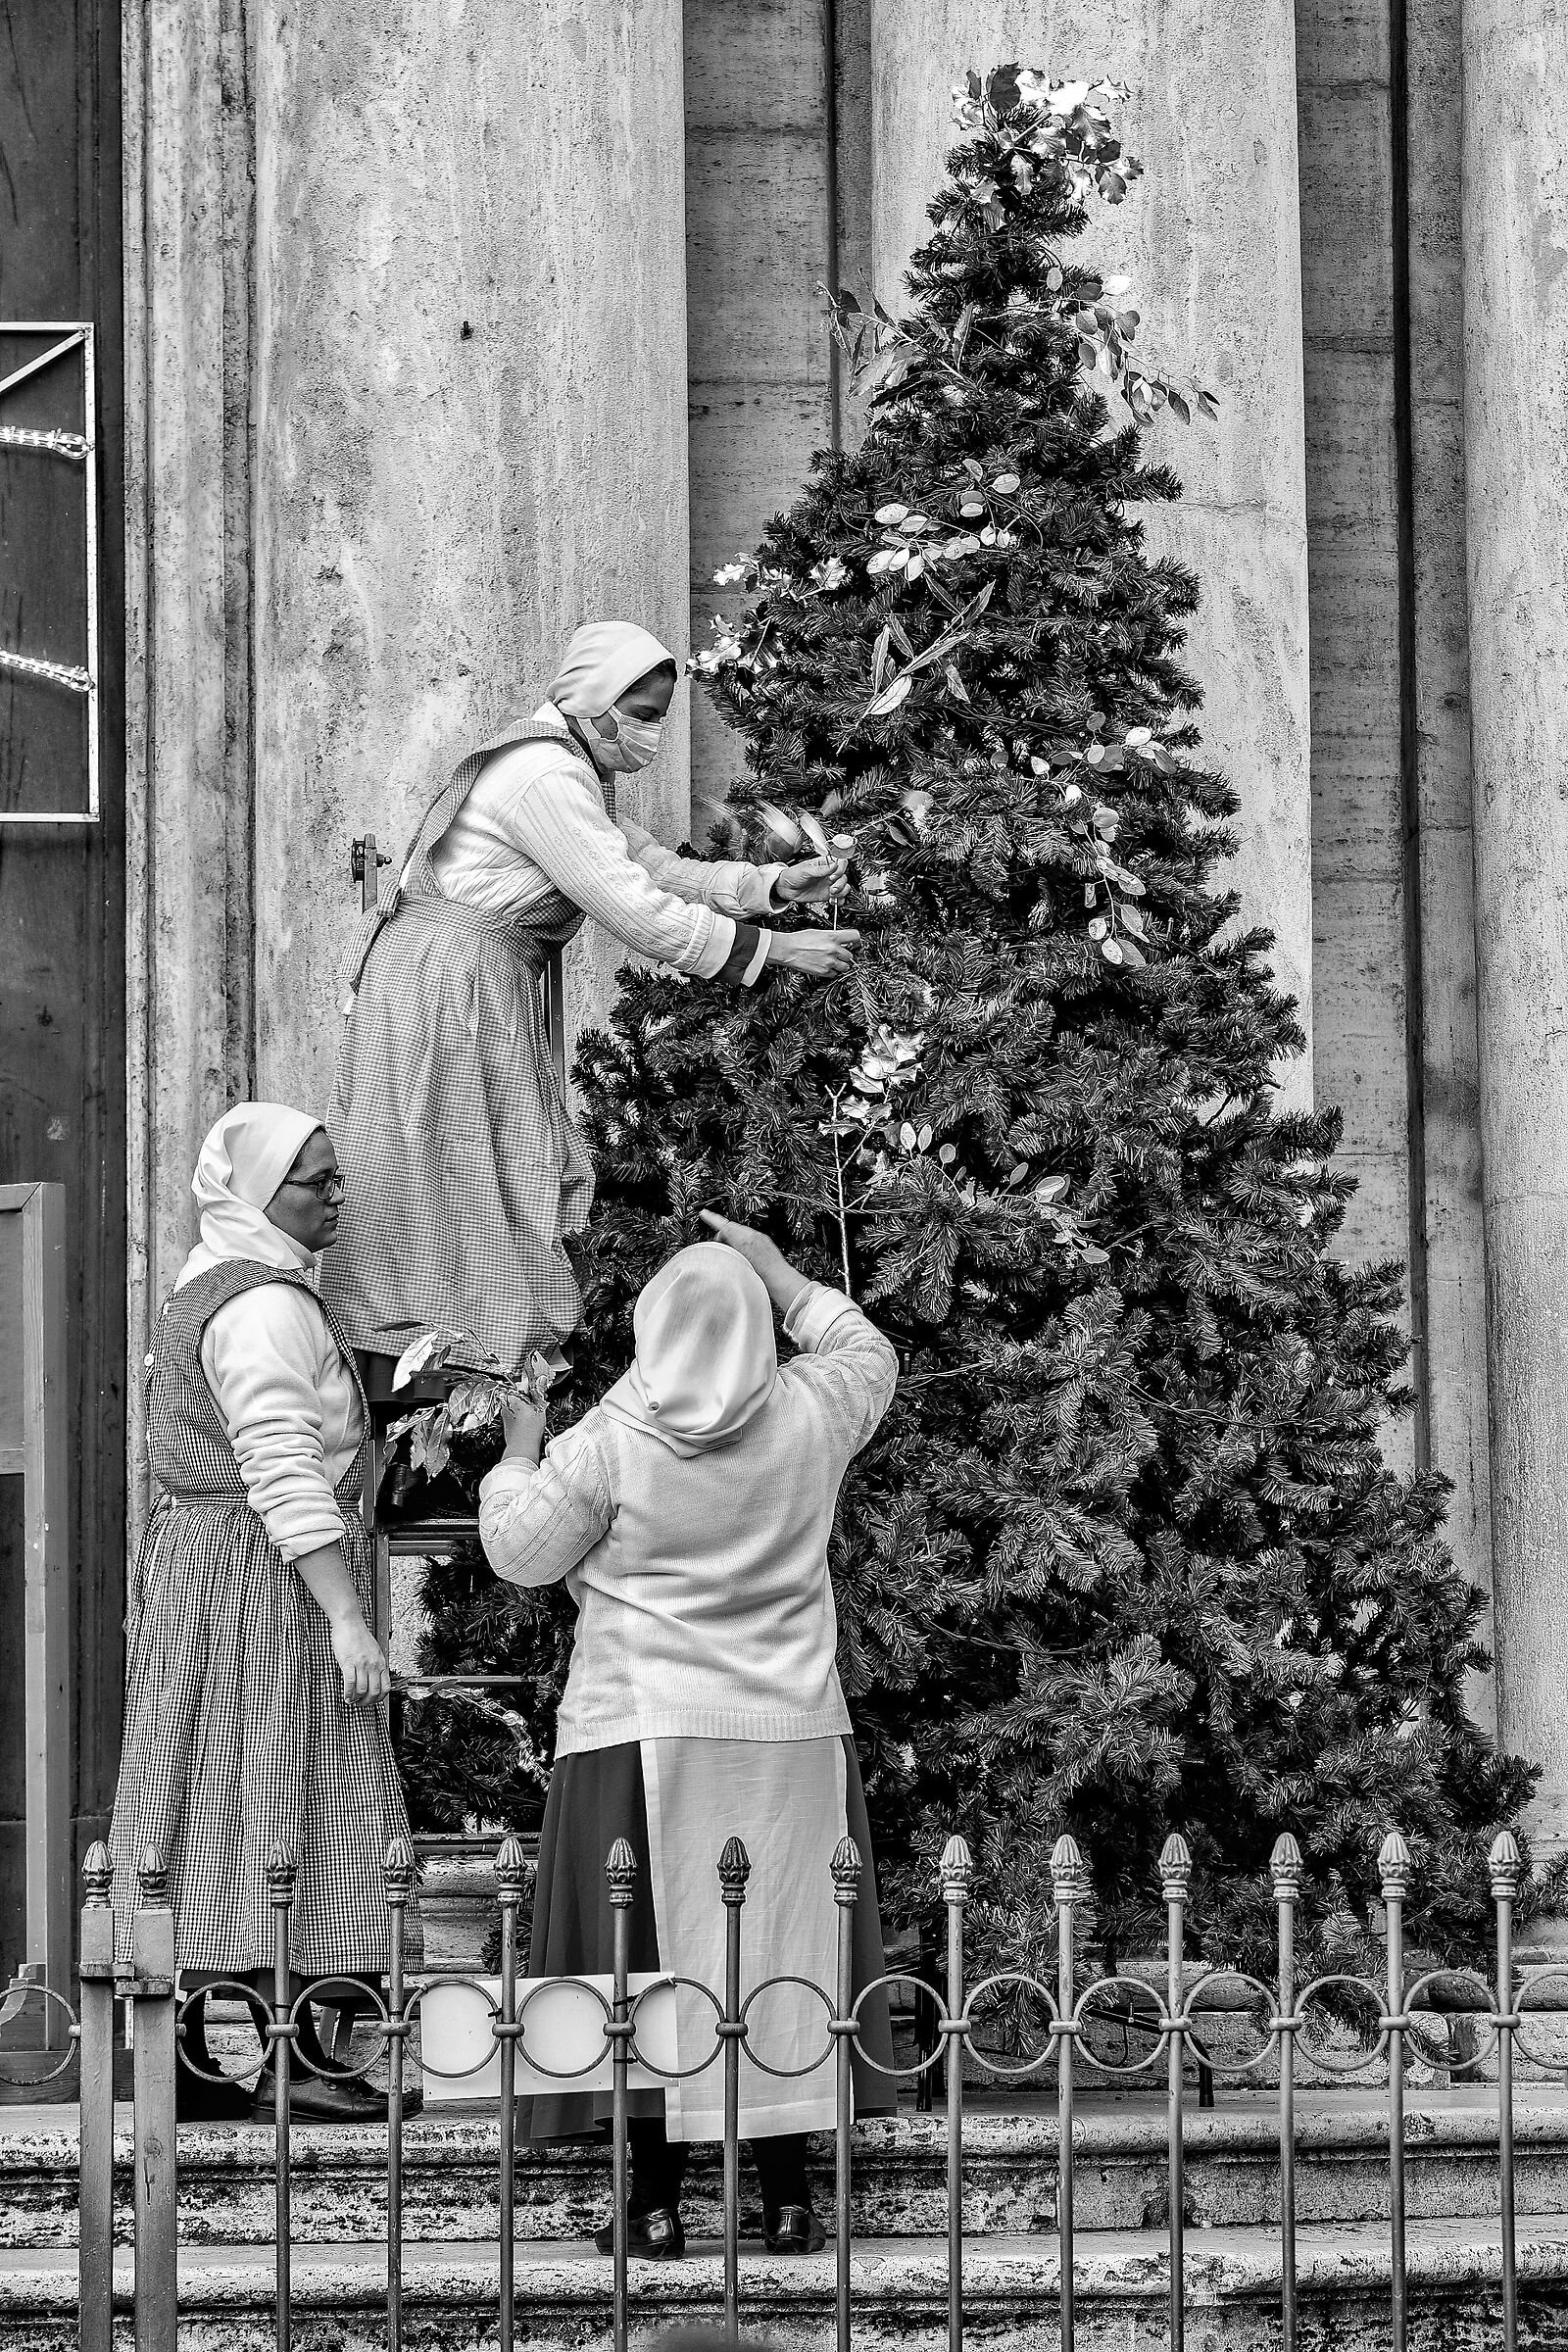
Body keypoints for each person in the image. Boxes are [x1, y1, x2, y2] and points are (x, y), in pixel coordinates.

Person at [476, 1210, 899, 2256]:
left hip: (639, 1725)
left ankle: (655, 2203)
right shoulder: (812, 1410)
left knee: (647, 1969)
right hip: (787, 1729)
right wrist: (781, 1274)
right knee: (774, 1955)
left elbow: (521, 1551)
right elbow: (868, 1350)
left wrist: (516, 1454)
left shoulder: (610, 1442)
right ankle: (788, 2198)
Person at [322, 619, 858, 1380]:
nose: (649, 733)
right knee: (445, 1172)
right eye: (640, 713)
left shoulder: (572, 766)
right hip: (445, 988)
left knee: (483, 1171)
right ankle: (425, 1377)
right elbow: (630, 906)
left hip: (473, 982)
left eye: (658, 716)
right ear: (592, 698)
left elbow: (652, 868)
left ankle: (471, 1374)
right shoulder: (544, 776)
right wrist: (772, 951)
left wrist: (770, 887)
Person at [109, 1102, 416, 2123]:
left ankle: (194, 2060)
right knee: (294, 1787)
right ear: (253, 1193)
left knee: (209, 1792)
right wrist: (346, 1615)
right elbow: (281, 1466)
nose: (336, 1194)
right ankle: (292, 2062)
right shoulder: (264, 1308)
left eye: (334, 1175)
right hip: (266, 1576)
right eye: (311, 1181)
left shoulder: (215, 1279)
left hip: (209, 1572)